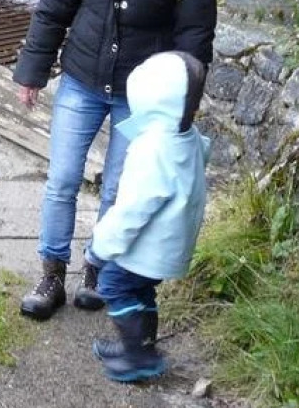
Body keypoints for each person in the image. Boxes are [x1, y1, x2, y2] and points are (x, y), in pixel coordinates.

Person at [11, 0, 217, 321]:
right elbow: (53, 9)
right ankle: (51, 275)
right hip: (81, 80)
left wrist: (181, 110)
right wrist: (32, 72)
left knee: (119, 190)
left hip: (141, 99)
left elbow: (195, 43)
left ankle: (97, 270)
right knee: (62, 180)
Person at [89, 50, 209, 382]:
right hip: (173, 241)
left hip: (150, 244)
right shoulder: (187, 137)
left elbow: (133, 208)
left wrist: (102, 246)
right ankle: (140, 345)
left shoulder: (153, 149)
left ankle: (138, 356)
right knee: (142, 290)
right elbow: (204, 153)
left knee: (113, 284)